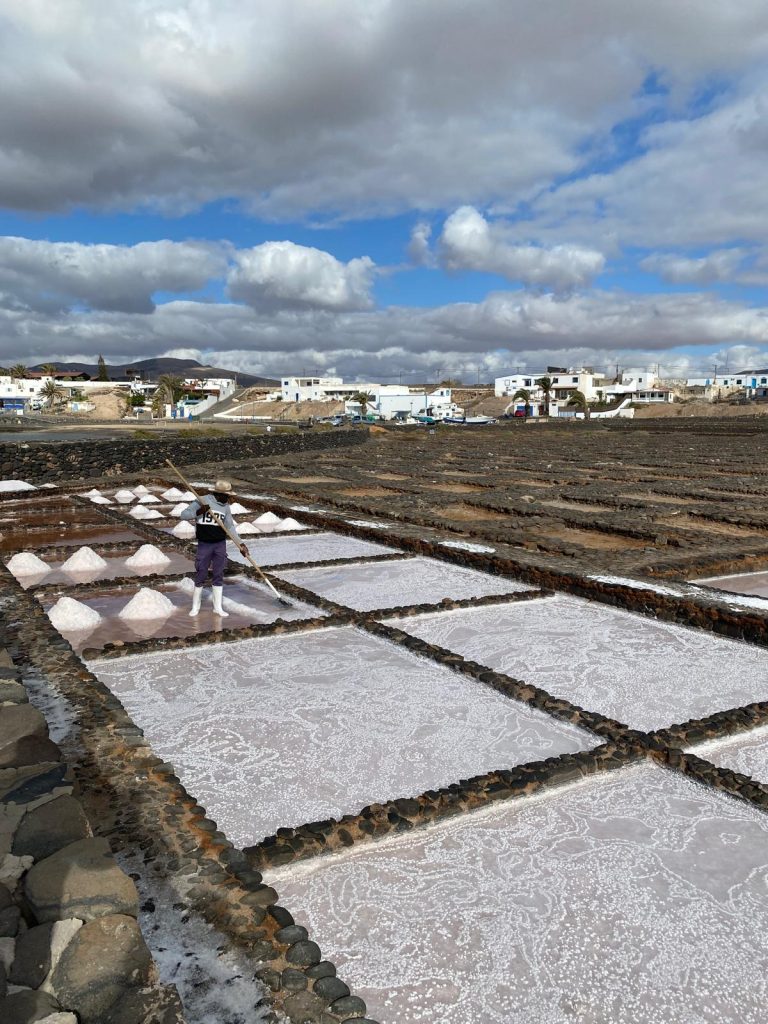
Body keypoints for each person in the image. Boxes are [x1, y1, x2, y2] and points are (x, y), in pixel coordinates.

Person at [180, 479, 248, 617]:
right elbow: (183, 515)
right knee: (201, 572)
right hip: (204, 544)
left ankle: (218, 608)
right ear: (218, 494)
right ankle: (195, 607)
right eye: (226, 496)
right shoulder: (202, 500)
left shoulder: (226, 507)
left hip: (219, 544)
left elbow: (229, 527)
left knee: (218, 573)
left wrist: (240, 544)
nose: (228, 498)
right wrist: (199, 511)